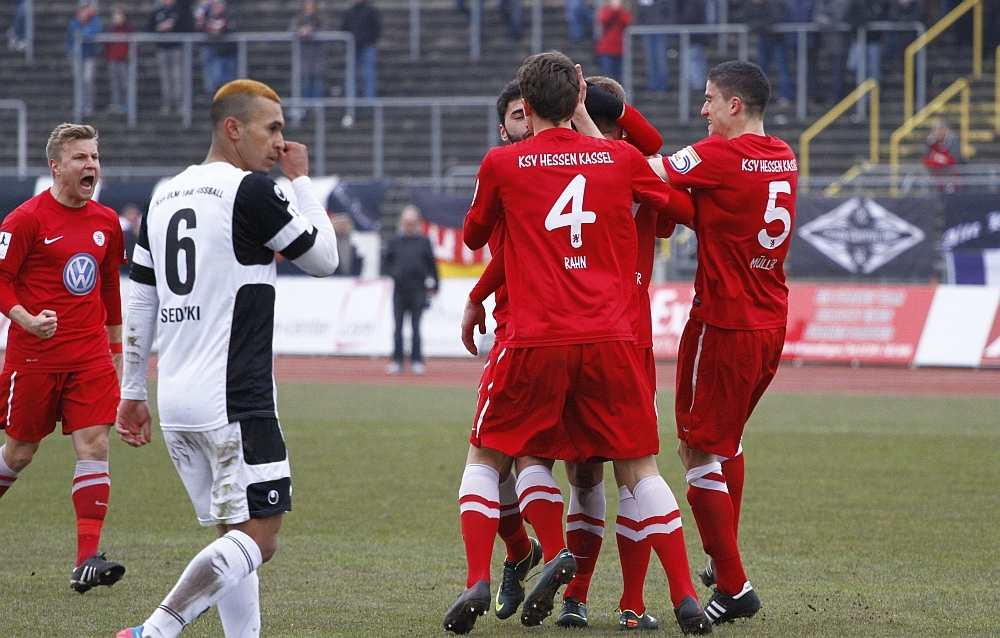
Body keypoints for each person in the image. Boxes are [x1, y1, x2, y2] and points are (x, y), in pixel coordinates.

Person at [445, 51, 709, 636]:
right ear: (578, 100)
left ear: (527, 104)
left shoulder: (503, 162)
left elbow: (474, 234)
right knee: (640, 470)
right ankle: (686, 595)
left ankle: (479, 577)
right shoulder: (621, 160)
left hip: (536, 337)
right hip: (613, 338)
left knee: (492, 455)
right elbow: (676, 202)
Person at [114, 79, 339, 638]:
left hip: (178, 400)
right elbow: (324, 259)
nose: (281, 142)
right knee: (262, 536)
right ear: (233, 128)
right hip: (235, 396)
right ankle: (155, 630)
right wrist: (301, 180)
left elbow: (140, 298)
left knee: (233, 534)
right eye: (273, 128)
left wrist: (133, 390)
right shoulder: (251, 191)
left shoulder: (165, 194)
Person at [648, 59, 797, 625]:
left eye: (710, 99)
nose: (703, 109)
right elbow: (711, 213)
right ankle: (722, 557)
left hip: (723, 324)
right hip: (769, 321)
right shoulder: (782, 154)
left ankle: (733, 585)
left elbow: (647, 171)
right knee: (726, 442)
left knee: (695, 450)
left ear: (735, 105)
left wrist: (592, 136)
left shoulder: (719, 156)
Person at [0, 123, 127, 594]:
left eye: (94, 157)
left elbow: (110, 287)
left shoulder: (107, 222)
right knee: (20, 452)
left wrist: (116, 352)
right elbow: (1, 281)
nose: (91, 165)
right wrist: (26, 319)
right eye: (80, 158)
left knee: (95, 446)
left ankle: (86, 561)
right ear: (56, 166)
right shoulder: (25, 220)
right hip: (34, 358)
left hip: (89, 356)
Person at [382, 205, 438, 375]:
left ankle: (416, 360)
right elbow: (385, 264)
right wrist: (395, 274)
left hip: (418, 290)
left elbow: (432, 265)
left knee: (416, 327)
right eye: (407, 222)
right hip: (399, 290)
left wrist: (435, 284)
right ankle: (397, 360)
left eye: (412, 223)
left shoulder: (424, 242)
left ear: (418, 223)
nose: (409, 226)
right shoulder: (394, 241)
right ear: (401, 223)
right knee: (398, 327)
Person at [743, 0, 793, 107]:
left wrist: (758, 25)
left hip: (777, 40)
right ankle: (761, 97)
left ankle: (786, 97)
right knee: (761, 71)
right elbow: (746, 20)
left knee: (782, 69)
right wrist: (759, 25)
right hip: (763, 39)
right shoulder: (750, 6)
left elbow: (776, 19)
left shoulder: (772, 4)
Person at [66, 0, 103, 118]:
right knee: (79, 81)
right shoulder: (74, 22)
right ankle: (80, 104)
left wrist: (83, 33)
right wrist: (70, 52)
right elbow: (70, 39)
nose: (84, 11)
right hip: (77, 56)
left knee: (88, 79)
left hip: (89, 55)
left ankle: (89, 105)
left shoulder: (94, 20)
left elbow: (94, 32)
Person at [341, 0, 381, 99]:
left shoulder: (370, 11)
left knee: (369, 75)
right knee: (352, 76)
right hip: (353, 48)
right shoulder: (350, 12)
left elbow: (377, 28)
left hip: (367, 47)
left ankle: (369, 101)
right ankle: (351, 100)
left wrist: (370, 41)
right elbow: (344, 28)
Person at [149, 0, 184, 115]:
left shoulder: (179, 11)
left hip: (176, 48)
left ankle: (179, 103)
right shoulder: (158, 12)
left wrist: (173, 28)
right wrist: (158, 28)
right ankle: (167, 103)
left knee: (176, 77)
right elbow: (150, 26)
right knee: (165, 78)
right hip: (162, 48)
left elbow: (185, 26)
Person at [291, 0, 329, 99]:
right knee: (305, 86)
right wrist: (299, 31)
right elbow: (291, 30)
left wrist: (311, 31)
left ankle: (317, 107)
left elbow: (325, 29)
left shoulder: (320, 19)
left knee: (317, 87)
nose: (308, 7)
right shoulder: (298, 19)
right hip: (304, 60)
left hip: (317, 60)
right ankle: (305, 107)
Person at [636, 0, 677, 92]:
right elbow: (641, 14)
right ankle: (653, 85)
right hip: (648, 31)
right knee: (650, 60)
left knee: (661, 60)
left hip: (661, 31)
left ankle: (662, 86)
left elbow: (670, 13)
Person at [200, 0, 237, 94]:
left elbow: (232, 29)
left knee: (229, 78)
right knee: (217, 78)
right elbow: (201, 28)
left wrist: (223, 30)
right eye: (216, 5)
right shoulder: (207, 17)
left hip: (229, 51)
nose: (218, 7)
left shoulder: (229, 16)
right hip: (216, 51)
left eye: (220, 4)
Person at [106, 7, 135, 115]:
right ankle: (116, 104)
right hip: (113, 59)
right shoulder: (111, 29)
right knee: (115, 84)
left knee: (125, 83)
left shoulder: (128, 28)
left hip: (124, 60)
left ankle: (128, 104)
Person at [923, 119, 964, 193]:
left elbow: (956, 158)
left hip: (952, 173)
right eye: (937, 129)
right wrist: (940, 160)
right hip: (936, 173)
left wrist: (942, 160)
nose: (939, 132)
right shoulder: (930, 142)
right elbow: (927, 159)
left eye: (941, 129)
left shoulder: (953, 141)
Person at [594, 0, 632, 81]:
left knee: (619, 76)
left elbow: (626, 21)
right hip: (606, 49)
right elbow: (604, 19)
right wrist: (613, 10)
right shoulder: (605, 11)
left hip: (619, 49)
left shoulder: (623, 12)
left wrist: (618, 10)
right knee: (606, 74)